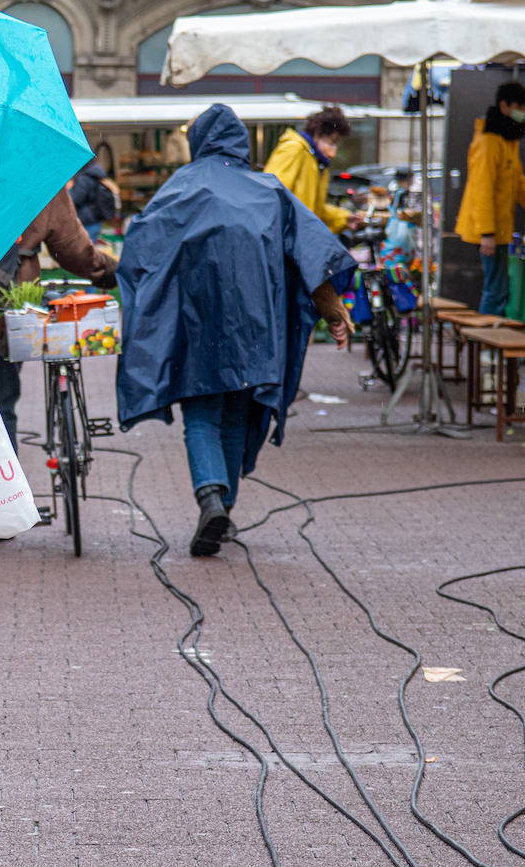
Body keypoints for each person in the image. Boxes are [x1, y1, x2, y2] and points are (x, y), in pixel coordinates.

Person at [116, 104, 356, 557]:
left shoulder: (176, 191)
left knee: (202, 412)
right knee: (236, 414)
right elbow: (310, 251)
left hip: (196, 325)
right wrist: (332, 310)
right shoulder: (269, 190)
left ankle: (211, 499)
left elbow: (140, 253)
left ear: (199, 142)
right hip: (257, 328)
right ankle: (223, 508)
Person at [0, 186, 118, 451]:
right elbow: (72, 248)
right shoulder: (37, 176)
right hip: (13, 307)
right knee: (3, 404)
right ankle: (4, 486)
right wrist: (108, 272)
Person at [453, 81, 525, 316]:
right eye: (518, 106)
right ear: (504, 105)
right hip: (490, 231)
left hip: (498, 230)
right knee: (496, 289)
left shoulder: (505, 140)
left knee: (499, 288)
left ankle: (492, 343)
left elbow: (517, 182)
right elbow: (481, 189)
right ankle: (487, 348)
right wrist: (487, 233)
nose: (521, 112)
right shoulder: (489, 141)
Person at [264, 106, 362, 235]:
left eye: (336, 143)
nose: (333, 152)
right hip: (286, 236)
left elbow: (315, 209)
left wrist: (344, 218)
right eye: (331, 142)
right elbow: (271, 194)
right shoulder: (295, 149)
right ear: (317, 134)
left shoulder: (317, 161)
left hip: (296, 236)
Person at [69, 158, 119, 241]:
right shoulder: (95, 174)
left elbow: (76, 199)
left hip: (86, 220)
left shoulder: (84, 178)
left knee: (85, 250)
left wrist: (68, 190)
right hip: (95, 219)